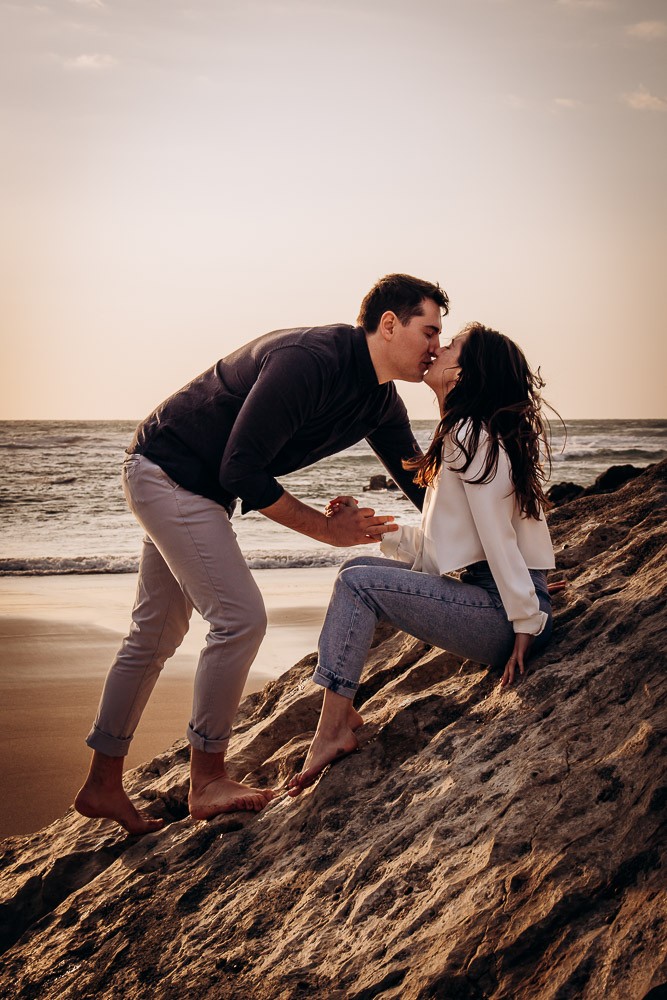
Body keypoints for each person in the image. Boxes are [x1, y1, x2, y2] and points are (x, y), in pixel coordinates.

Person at [74, 273, 449, 834]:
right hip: (170, 472)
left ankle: (102, 784)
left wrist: (493, 564)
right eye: (430, 331)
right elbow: (241, 469)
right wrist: (328, 530)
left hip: (189, 483)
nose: (436, 348)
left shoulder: (380, 404)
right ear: (390, 324)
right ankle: (207, 781)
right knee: (239, 620)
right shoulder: (311, 360)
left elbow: (426, 490)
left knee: (156, 632)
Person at [288, 323, 556, 796]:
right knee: (354, 573)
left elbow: (500, 541)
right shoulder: (464, 432)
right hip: (492, 597)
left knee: (357, 586)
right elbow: (439, 551)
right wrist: (374, 529)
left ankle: (332, 730)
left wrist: (526, 621)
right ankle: (342, 711)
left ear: (466, 373)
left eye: (450, 345)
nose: (438, 348)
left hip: (500, 615)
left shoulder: (471, 434)